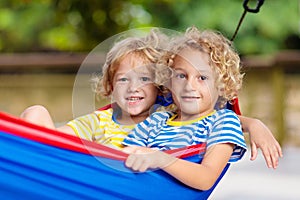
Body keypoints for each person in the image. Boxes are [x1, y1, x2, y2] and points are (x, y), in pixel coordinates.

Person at [20, 28, 282, 168]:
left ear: (160, 86)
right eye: (123, 79)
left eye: (144, 79)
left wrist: (253, 124)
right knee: (35, 113)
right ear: (110, 86)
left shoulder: (165, 113)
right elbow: (54, 142)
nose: (133, 88)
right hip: (84, 174)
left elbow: (213, 115)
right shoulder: (99, 121)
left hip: (131, 181)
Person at [122, 27, 249, 190]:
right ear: (169, 81)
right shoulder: (156, 120)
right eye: (181, 76)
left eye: (202, 78)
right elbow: (125, 156)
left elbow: (206, 178)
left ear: (222, 86)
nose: (189, 86)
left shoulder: (223, 122)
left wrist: (160, 158)